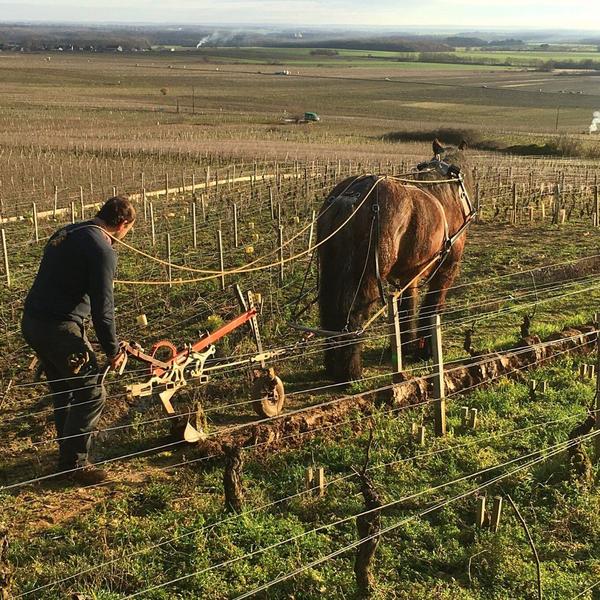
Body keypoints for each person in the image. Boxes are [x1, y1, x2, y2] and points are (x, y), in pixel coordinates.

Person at [21, 196, 135, 484]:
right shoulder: (102, 250)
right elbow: (103, 310)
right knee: (91, 391)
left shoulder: (69, 231)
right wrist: (113, 350)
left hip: (34, 323)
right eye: (128, 230)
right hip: (59, 329)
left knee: (65, 391)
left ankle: (66, 458)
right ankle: (75, 465)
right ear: (122, 224)